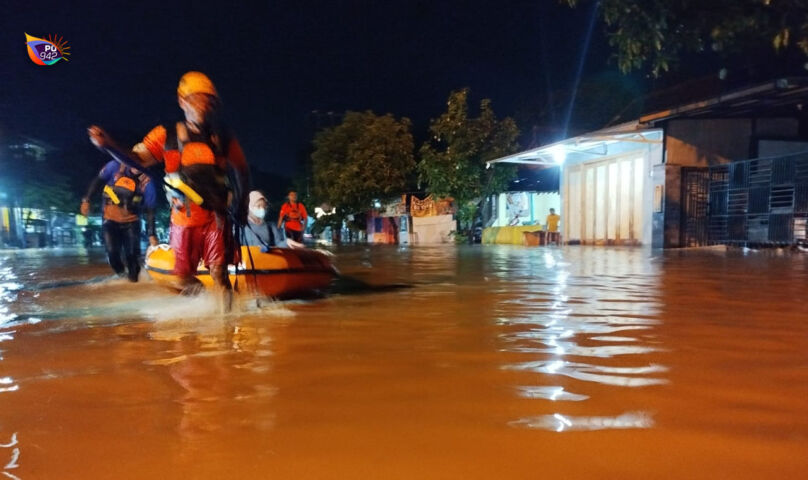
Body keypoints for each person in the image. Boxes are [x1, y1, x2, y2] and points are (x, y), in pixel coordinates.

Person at [88, 71, 250, 300]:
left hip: (217, 216)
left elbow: (242, 170)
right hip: (183, 218)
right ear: (182, 101)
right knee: (182, 277)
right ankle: (206, 305)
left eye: (209, 100)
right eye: (198, 99)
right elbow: (136, 158)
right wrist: (109, 145)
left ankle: (226, 325)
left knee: (220, 273)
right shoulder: (165, 135)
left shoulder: (223, 137)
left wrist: (241, 206)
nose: (204, 105)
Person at [81, 161, 157, 281]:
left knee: (132, 255)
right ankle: (122, 277)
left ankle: (133, 282)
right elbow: (98, 181)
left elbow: (150, 209)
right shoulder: (114, 166)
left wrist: (151, 233)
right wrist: (87, 199)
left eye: (142, 164)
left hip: (132, 222)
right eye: (135, 162)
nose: (137, 167)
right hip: (110, 220)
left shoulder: (148, 182)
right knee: (112, 254)